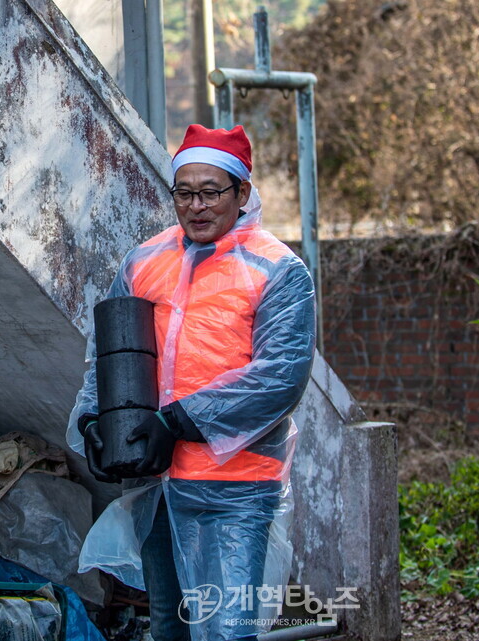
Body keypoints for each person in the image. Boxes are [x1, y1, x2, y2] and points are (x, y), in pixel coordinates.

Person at [66, 124, 317, 641]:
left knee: (228, 630)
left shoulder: (279, 271)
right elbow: (110, 357)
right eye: (185, 192)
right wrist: (94, 419)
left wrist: (177, 420)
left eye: (211, 192)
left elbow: (279, 378)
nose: (196, 206)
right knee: (169, 625)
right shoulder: (144, 261)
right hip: (158, 480)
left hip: (238, 488)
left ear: (242, 194)